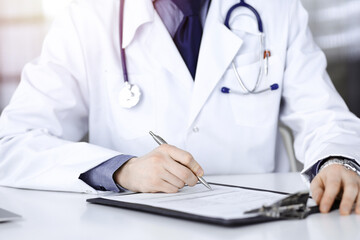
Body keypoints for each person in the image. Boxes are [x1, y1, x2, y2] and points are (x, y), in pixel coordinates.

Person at [0, 0, 359, 216]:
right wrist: (121, 171)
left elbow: (323, 115)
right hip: (136, 228)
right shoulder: (88, 18)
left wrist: (337, 161)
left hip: (261, 226)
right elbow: (13, 143)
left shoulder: (274, 9)